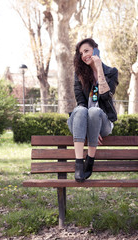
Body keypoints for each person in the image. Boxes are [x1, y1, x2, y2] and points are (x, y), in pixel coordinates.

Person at [67, 38, 119, 182]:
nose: (84, 55)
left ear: (96, 50)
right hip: (81, 122)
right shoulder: (79, 75)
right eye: (81, 53)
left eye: (87, 51)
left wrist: (99, 67)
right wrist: (90, 129)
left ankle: (90, 159)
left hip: (103, 124)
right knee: (80, 110)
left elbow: (104, 95)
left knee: (94, 112)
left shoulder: (111, 72)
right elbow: (81, 102)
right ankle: (79, 164)